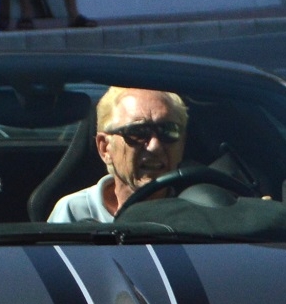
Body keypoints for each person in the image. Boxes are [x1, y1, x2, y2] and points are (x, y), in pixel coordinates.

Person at [48, 87, 191, 222]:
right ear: (105, 147)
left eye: (169, 131)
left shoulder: (197, 212)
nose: (155, 147)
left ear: (183, 144)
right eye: (137, 132)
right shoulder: (75, 212)